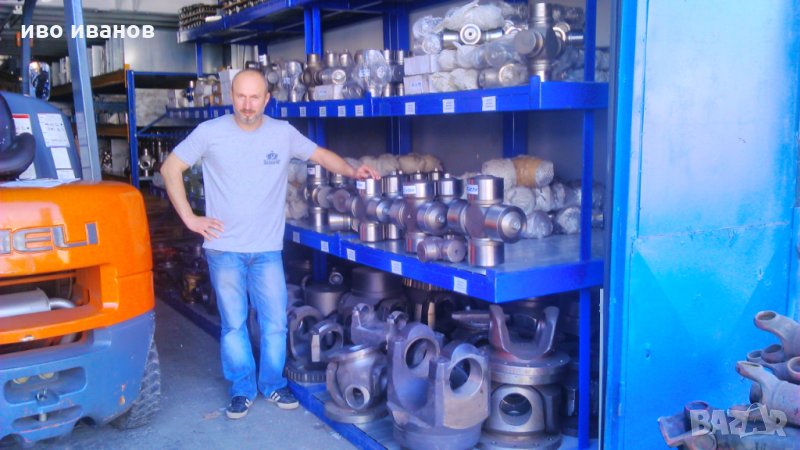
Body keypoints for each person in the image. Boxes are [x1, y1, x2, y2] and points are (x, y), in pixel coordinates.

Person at [160, 69, 379, 420]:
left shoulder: (282, 133)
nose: (247, 105)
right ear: (231, 97)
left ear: (267, 100)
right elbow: (170, 168)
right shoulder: (209, 132)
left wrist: (353, 172)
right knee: (234, 324)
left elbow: (320, 155)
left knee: (275, 322)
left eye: (254, 98)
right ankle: (242, 388)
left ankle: (273, 383)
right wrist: (190, 218)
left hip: (266, 250)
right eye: (241, 97)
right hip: (224, 248)